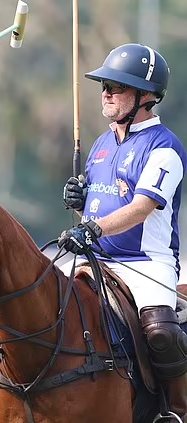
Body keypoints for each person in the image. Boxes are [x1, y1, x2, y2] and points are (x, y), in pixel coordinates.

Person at [58, 43, 187, 421]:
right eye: (105, 86)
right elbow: (100, 208)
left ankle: (176, 409)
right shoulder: (102, 144)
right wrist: (80, 204)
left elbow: (141, 207)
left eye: (117, 87)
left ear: (146, 96)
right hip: (97, 259)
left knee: (161, 332)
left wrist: (91, 228)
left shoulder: (164, 147)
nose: (107, 94)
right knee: (39, 305)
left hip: (145, 263)